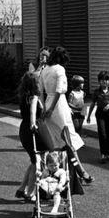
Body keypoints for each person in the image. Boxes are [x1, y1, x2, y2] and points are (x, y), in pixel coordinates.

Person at [39, 46, 91, 186]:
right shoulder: (59, 69)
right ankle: (80, 171)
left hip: (48, 102)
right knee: (68, 139)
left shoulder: (45, 70)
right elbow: (59, 90)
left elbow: (40, 91)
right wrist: (51, 108)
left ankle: (63, 171)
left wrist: (45, 107)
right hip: (58, 104)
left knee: (56, 141)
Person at [15, 69, 43, 202]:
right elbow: (33, 112)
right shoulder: (34, 97)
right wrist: (33, 124)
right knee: (37, 162)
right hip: (32, 129)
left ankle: (22, 188)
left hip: (23, 129)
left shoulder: (23, 97)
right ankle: (30, 192)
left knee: (33, 161)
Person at [86, 70, 109, 163]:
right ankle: (103, 154)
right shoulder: (97, 92)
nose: (105, 82)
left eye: (107, 80)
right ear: (99, 81)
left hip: (108, 113)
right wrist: (89, 116)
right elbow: (92, 104)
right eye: (102, 80)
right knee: (102, 134)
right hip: (99, 113)